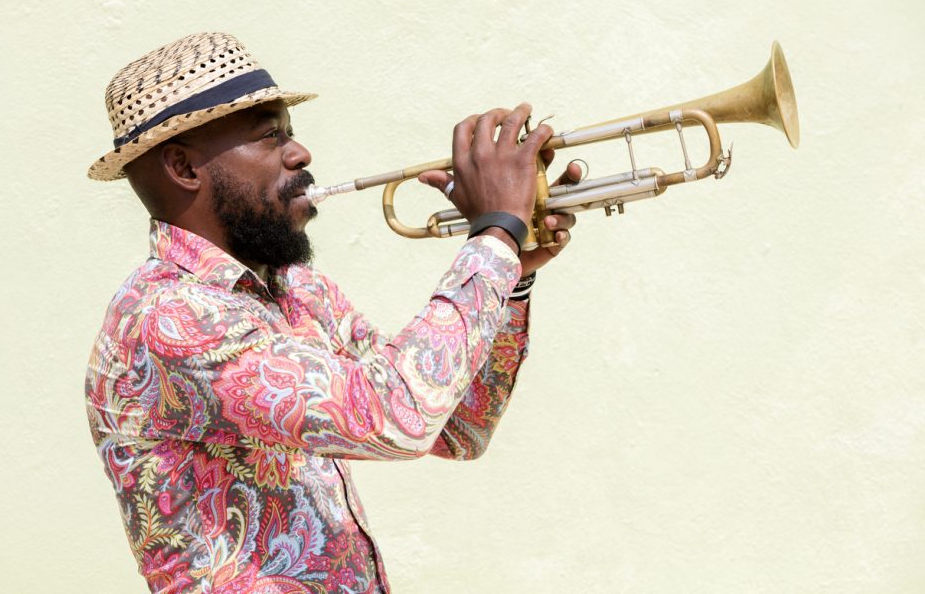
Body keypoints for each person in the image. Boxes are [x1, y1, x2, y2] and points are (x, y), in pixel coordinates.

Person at [85, 32, 579, 594]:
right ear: (184, 168)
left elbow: (458, 429)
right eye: (271, 136)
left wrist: (513, 275)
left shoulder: (296, 291)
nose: (300, 154)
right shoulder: (169, 317)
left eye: (290, 133)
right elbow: (399, 418)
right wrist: (494, 237)